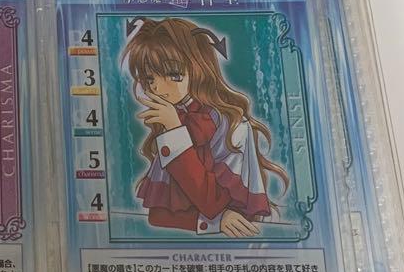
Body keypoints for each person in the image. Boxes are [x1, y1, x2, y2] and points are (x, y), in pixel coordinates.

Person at [122, 17, 289, 236]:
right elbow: (159, 215)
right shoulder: (172, 120)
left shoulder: (233, 126)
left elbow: (217, 202)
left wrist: (174, 132)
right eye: (150, 79)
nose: (158, 89)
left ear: (199, 68)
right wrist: (173, 130)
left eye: (173, 74)